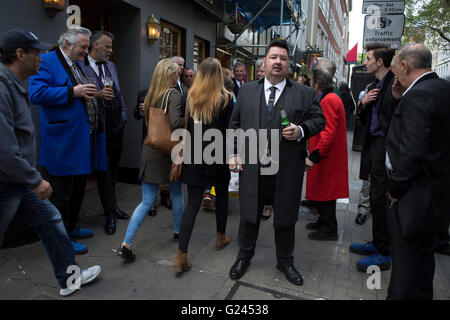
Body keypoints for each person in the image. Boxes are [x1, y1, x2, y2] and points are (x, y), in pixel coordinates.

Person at [0, 28, 101, 297]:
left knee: (52, 221)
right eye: (36, 53)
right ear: (20, 55)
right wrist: (34, 179)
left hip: (18, 179)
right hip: (8, 182)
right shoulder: (2, 88)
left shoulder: (12, 83)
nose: (42, 58)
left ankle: (69, 279)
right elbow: (5, 148)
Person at [228, 40, 325, 285]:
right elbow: (235, 125)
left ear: (288, 65)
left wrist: (301, 130)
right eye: (273, 57)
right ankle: (244, 256)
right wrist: (234, 153)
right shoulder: (248, 90)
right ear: (265, 62)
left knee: (285, 217)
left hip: (287, 169)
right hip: (253, 168)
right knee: (249, 214)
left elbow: (319, 120)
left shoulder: (303, 93)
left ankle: (285, 261)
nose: (278, 61)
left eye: (283, 58)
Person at [29, 27, 108, 255]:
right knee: (61, 194)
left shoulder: (76, 63)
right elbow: (36, 94)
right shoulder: (47, 61)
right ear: (67, 45)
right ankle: (60, 238)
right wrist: (72, 92)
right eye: (83, 47)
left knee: (75, 189)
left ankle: (71, 227)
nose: (87, 50)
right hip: (61, 141)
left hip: (80, 138)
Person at [386, 43, 450, 300]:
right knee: (423, 263)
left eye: (395, 69)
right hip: (436, 195)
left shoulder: (419, 96)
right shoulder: (442, 90)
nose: (395, 76)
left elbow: (412, 152)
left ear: (404, 66)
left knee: (406, 267)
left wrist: (395, 190)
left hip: (414, 197)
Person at [117, 58, 185, 262]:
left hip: (150, 150)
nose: (178, 75)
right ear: (170, 75)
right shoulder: (173, 94)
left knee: (146, 201)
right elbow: (175, 123)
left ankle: (126, 243)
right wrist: (190, 118)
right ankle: (178, 232)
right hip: (169, 151)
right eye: (175, 73)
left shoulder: (150, 94)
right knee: (177, 192)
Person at [173, 57, 234, 272]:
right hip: (217, 156)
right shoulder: (226, 99)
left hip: (194, 156)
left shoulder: (191, 96)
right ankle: (220, 236)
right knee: (222, 195)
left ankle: (181, 255)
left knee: (193, 204)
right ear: (219, 76)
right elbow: (230, 131)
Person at [349, 44, 397, 272]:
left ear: (379, 62)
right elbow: (361, 114)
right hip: (373, 148)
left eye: (368, 59)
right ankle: (378, 243)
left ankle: (384, 252)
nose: (365, 62)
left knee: (381, 200)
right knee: (376, 199)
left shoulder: (395, 85)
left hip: (385, 149)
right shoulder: (374, 85)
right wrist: (363, 103)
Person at [79, 31, 129, 236]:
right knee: (103, 170)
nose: (110, 51)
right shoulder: (81, 66)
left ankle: (113, 205)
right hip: (98, 127)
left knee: (114, 168)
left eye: (110, 47)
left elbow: (118, 91)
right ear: (95, 45)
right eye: (107, 47)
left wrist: (124, 115)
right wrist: (98, 94)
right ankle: (109, 212)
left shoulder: (111, 66)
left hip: (116, 125)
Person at [304, 68, 349, 241]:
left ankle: (329, 228)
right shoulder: (330, 98)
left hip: (327, 156)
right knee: (324, 191)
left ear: (316, 83)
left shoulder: (329, 101)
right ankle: (323, 222)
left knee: (327, 192)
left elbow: (328, 133)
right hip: (327, 155)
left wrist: (315, 156)